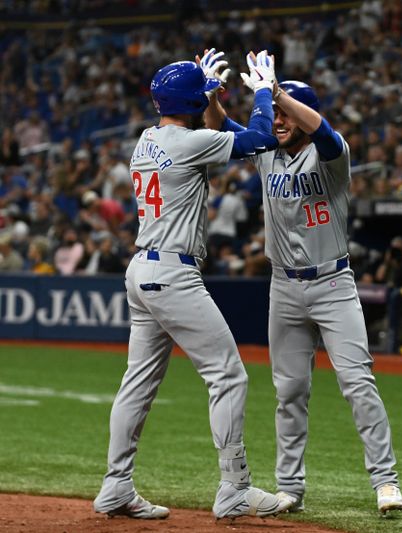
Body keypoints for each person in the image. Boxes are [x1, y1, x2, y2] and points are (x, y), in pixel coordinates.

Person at [93, 51, 291, 520]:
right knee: (228, 375)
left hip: (142, 270)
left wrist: (205, 91)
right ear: (190, 101)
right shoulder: (188, 142)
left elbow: (200, 122)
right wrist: (262, 90)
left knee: (137, 384)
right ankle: (235, 488)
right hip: (172, 274)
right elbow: (262, 139)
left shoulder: (147, 138)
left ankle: (116, 485)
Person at [205, 53, 402, 514]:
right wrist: (212, 96)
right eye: (274, 113)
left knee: (358, 382)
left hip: (333, 283)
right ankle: (290, 487)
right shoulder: (267, 152)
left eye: (284, 113)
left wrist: (276, 92)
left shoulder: (333, 155)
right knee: (289, 390)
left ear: (301, 113)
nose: (277, 120)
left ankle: (386, 481)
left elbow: (326, 133)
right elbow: (222, 127)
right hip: (284, 287)